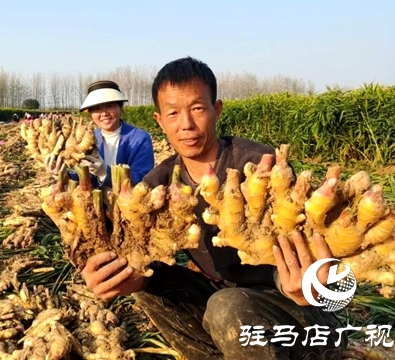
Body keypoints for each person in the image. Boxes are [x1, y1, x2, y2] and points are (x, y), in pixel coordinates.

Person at [79, 58, 348, 360]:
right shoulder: (160, 184)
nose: (186, 125)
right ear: (159, 121)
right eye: (173, 113)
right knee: (145, 284)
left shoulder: (261, 165)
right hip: (221, 296)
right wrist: (114, 274)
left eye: (197, 109)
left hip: (290, 301)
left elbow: (308, 249)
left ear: (216, 110)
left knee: (227, 306)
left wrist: (305, 284)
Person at [44, 80, 155, 190]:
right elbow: (86, 179)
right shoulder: (89, 139)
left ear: (120, 107)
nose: (104, 113)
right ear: (91, 114)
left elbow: (142, 179)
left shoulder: (140, 139)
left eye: (110, 106)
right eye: (97, 108)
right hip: (94, 205)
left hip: (129, 205)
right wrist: (63, 175)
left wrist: (105, 173)